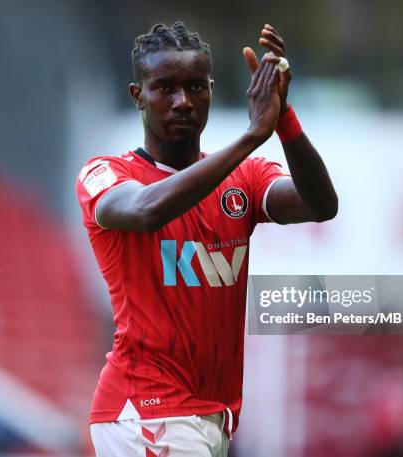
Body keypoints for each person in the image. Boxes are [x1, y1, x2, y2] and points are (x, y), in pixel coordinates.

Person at [76, 21, 337, 457]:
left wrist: (284, 117)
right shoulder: (105, 174)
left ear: (212, 91)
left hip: (210, 415)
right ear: (137, 96)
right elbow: (146, 211)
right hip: (146, 409)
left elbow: (320, 205)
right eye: (165, 88)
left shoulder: (245, 178)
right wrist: (254, 135)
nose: (183, 102)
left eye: (196, 87)